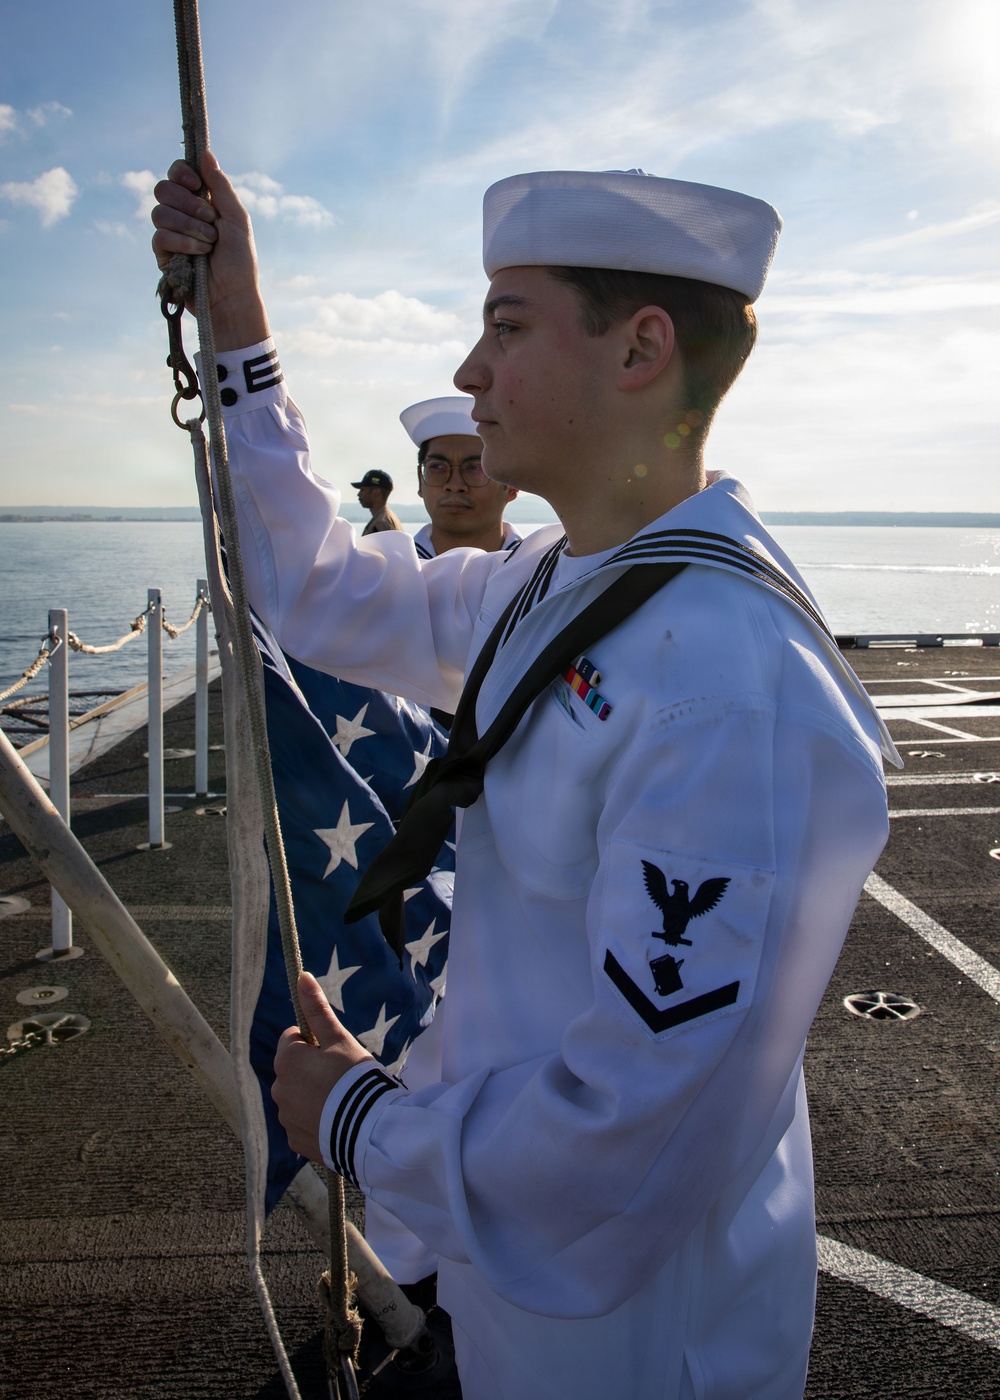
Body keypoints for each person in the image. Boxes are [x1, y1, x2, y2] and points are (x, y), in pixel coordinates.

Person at [152, 155, 900, 1399]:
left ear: (639, 349)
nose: (468, 369)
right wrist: (238, 321)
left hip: (636, 1341)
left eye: (506, 324)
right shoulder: (551, 584)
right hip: (522, 1292)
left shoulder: (724, 681)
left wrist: (361, 1124)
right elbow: (313, 589)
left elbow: (636, 1120)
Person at [400, 396, 522, 559]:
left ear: (512, 484)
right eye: (437, 467)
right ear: (420, 481)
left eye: (474, 468)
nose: (454, 485)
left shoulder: (549, 575)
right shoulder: (382, 575)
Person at [353, 467, 403, 534]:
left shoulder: (381, 523)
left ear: (376, 492)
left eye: (363, 490)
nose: (359, 494)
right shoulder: (387, 517)